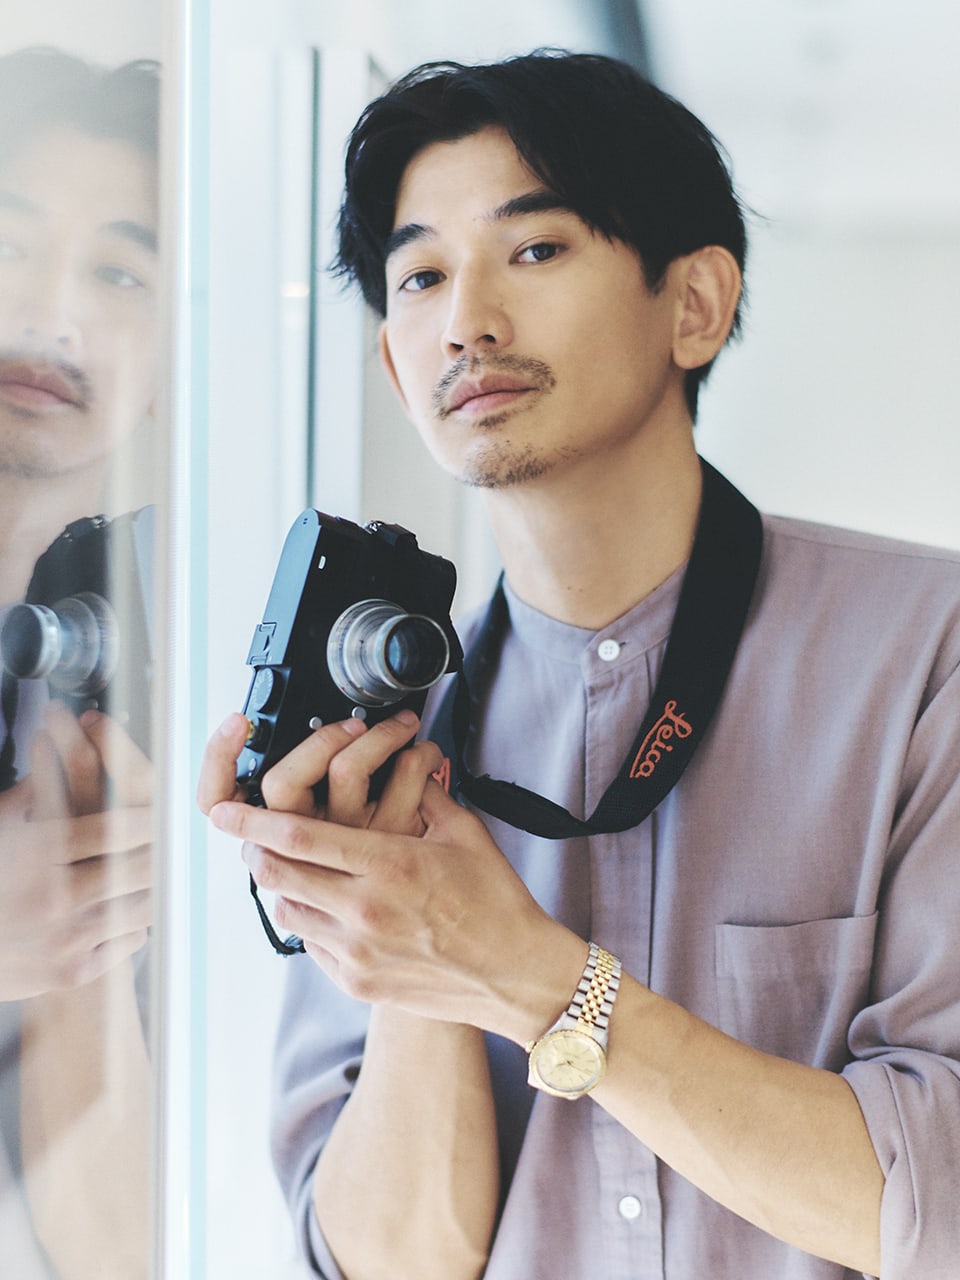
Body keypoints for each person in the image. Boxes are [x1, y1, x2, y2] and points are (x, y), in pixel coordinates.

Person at [199, 51, 960, 1280]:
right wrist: (411, 931)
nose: (468, 320)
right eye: (422, 276)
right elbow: (391, 1264)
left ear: (696, 305)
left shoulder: (930, 652)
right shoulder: (382, 735)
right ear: (397, 372)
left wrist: (538, 978)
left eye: (535, 250)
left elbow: (942, 1208)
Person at [0, 47, 159, 1280]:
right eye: (10, 238)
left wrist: (75, 947)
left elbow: (122, 1253)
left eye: (115, 270)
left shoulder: (188, 681)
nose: (53, 309)